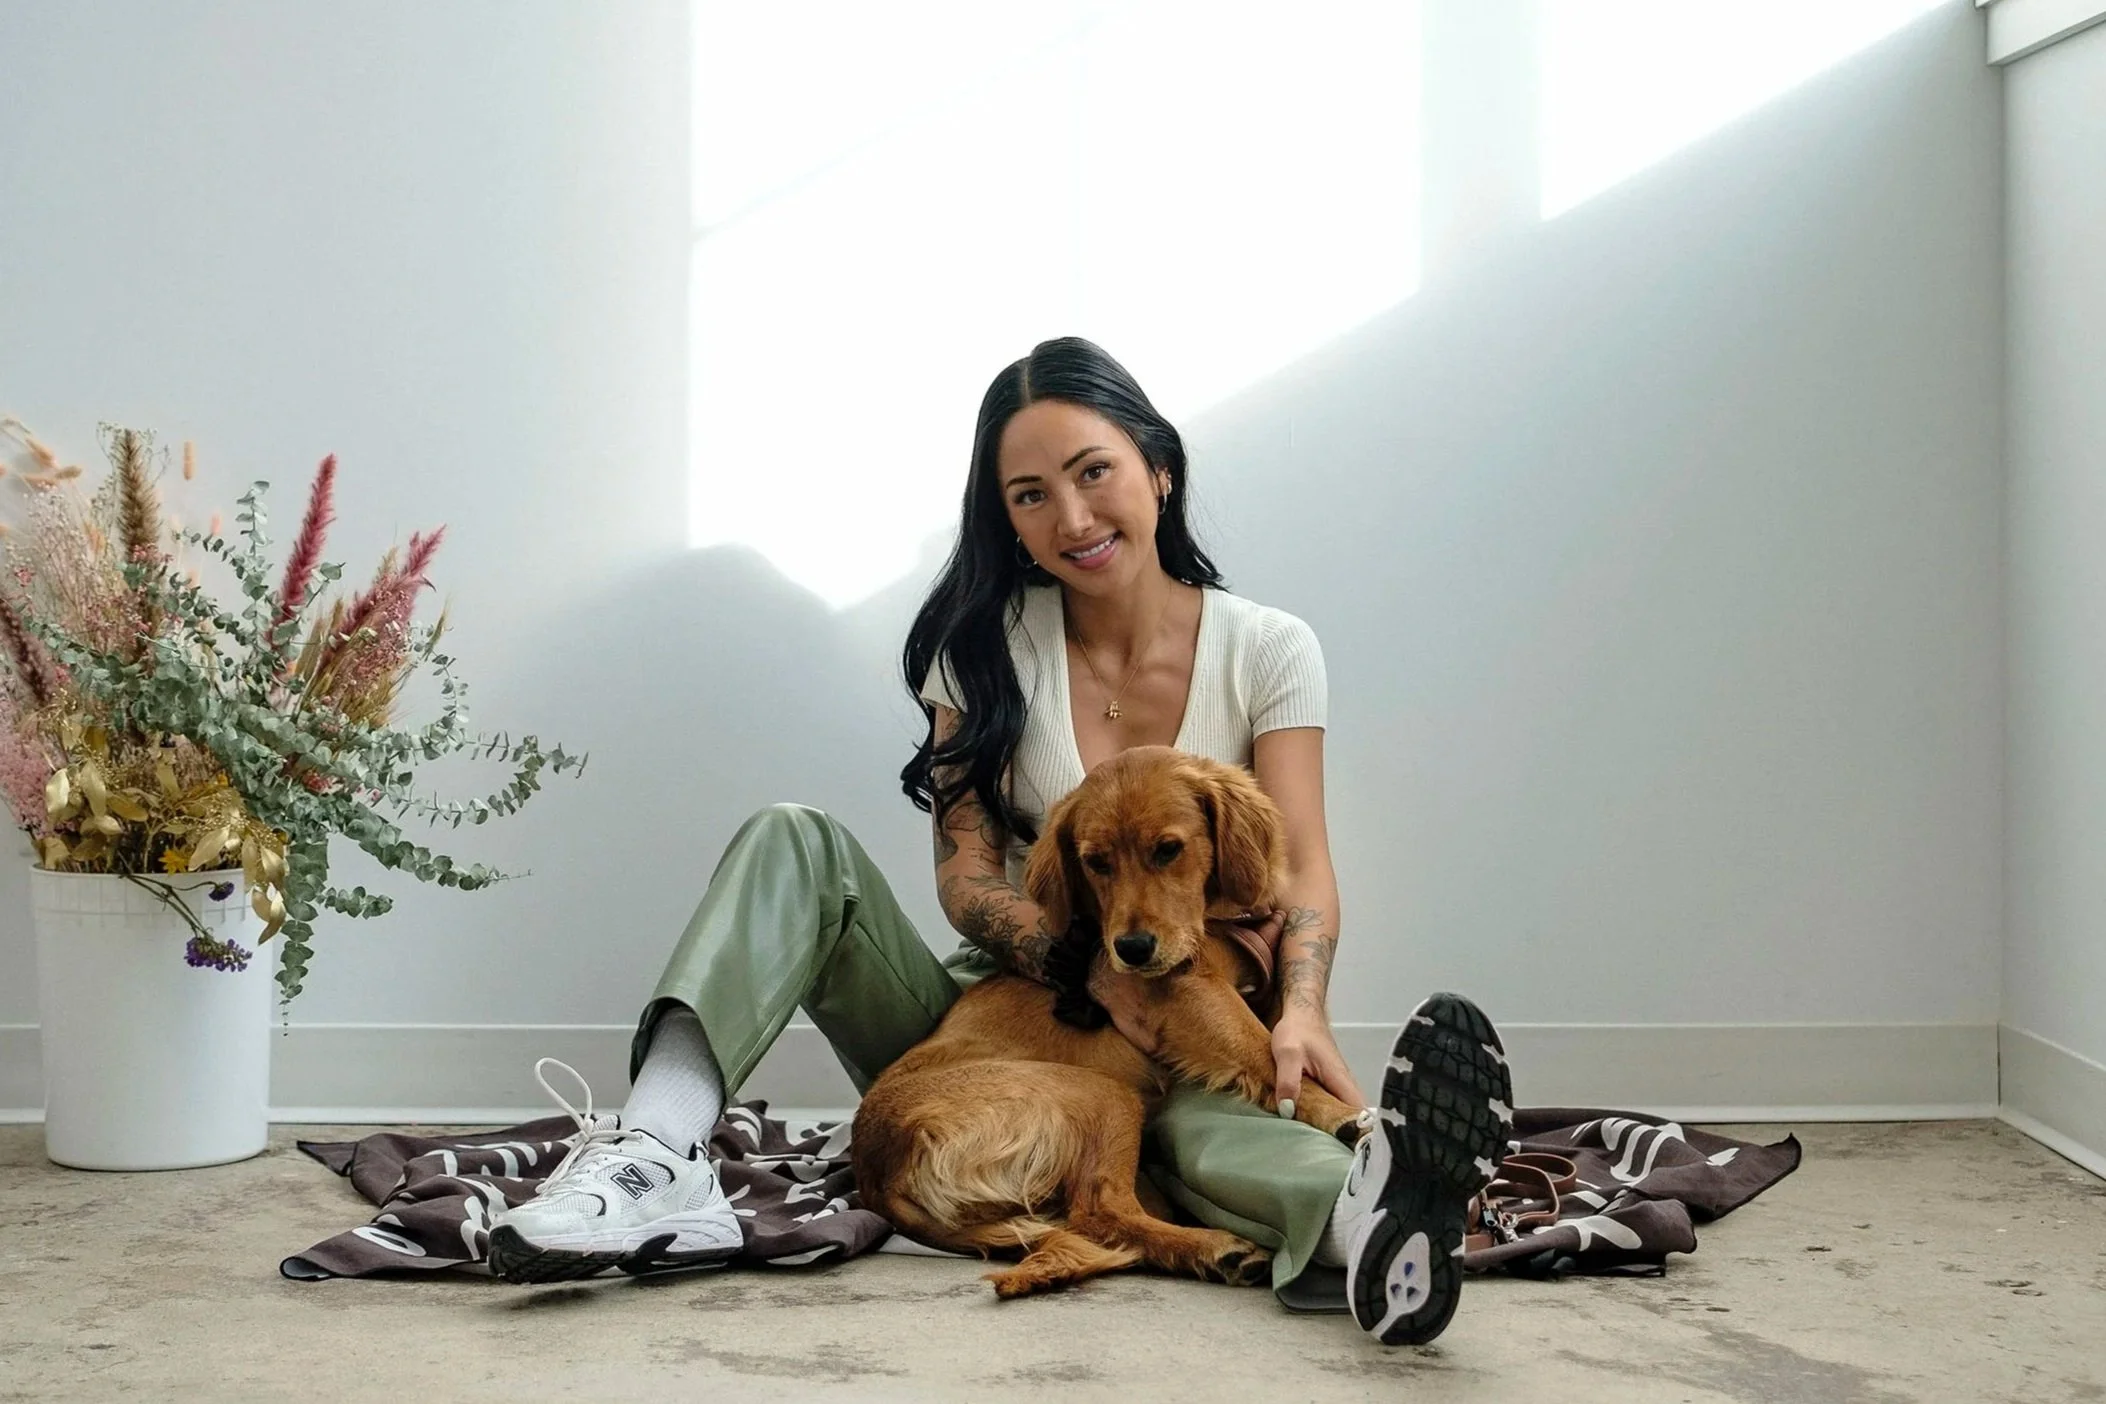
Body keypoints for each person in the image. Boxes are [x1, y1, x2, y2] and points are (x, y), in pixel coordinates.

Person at [485, 337, 1514, 1346]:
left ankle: (1371, 1224)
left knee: (1204, 1127)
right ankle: (654, 1154)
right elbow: (966, 875)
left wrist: (1299, 1010)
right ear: (1008, 522)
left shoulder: (1267, 647)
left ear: (1159, 468)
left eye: (1093, 471)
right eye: (1029, 495)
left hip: (1188, 1010)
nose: (1070, 516)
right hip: (991, 1006)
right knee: (794, 839)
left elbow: (1301, 865)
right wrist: (1081, 966)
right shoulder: (979, 652)